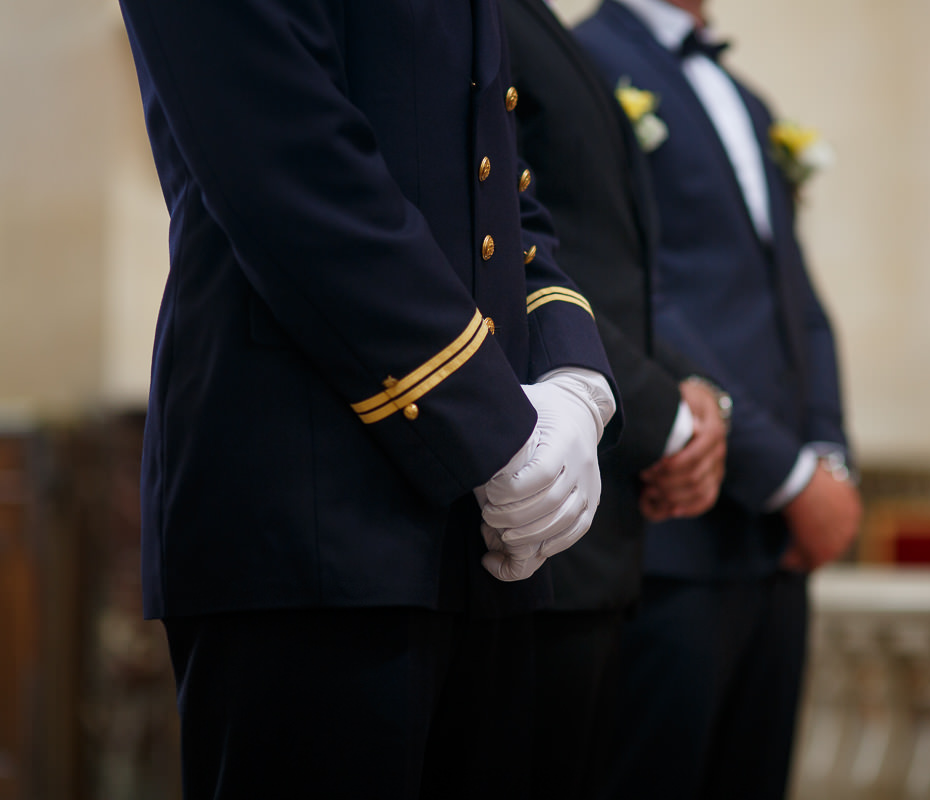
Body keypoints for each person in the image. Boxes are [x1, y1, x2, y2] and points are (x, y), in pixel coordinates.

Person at [115, 1, 620, 797]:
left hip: (474, 537)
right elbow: (288, 163)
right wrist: (493, 426)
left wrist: (572, 377)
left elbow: (499, 184)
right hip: (310, 513)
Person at [574, 1, 862, 798]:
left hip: (775, 549)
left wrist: (828, 456)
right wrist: (790, 476)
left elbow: (796, 300)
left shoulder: (747, 99)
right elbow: (627, 297)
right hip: (671, 530)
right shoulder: (585, 63)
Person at [498, 1, 728, 798]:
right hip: (539, 504)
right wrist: (664, 415)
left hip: (602, 526)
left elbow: (597, 272)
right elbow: (500, 250)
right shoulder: (492, 20)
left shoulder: (538, 25)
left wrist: (683, 400)